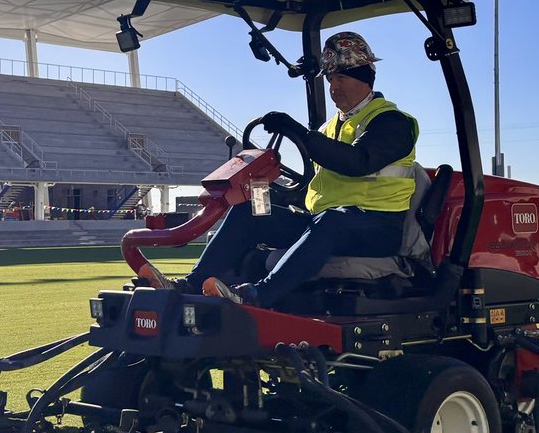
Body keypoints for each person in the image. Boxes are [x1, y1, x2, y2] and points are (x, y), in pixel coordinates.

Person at [144, 31, 418, 309]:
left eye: (342, 78)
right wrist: (274, 192)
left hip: (378, 227)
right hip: (329, 221)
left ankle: (257, 296)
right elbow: (319, 186)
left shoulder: (391, 122)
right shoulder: (330, 127)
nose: (334, 87)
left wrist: (298, 131)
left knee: (331, 221)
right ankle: (190, 285)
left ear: (364, 78)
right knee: (249, 213)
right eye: (331, 79)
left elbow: (358, 162)